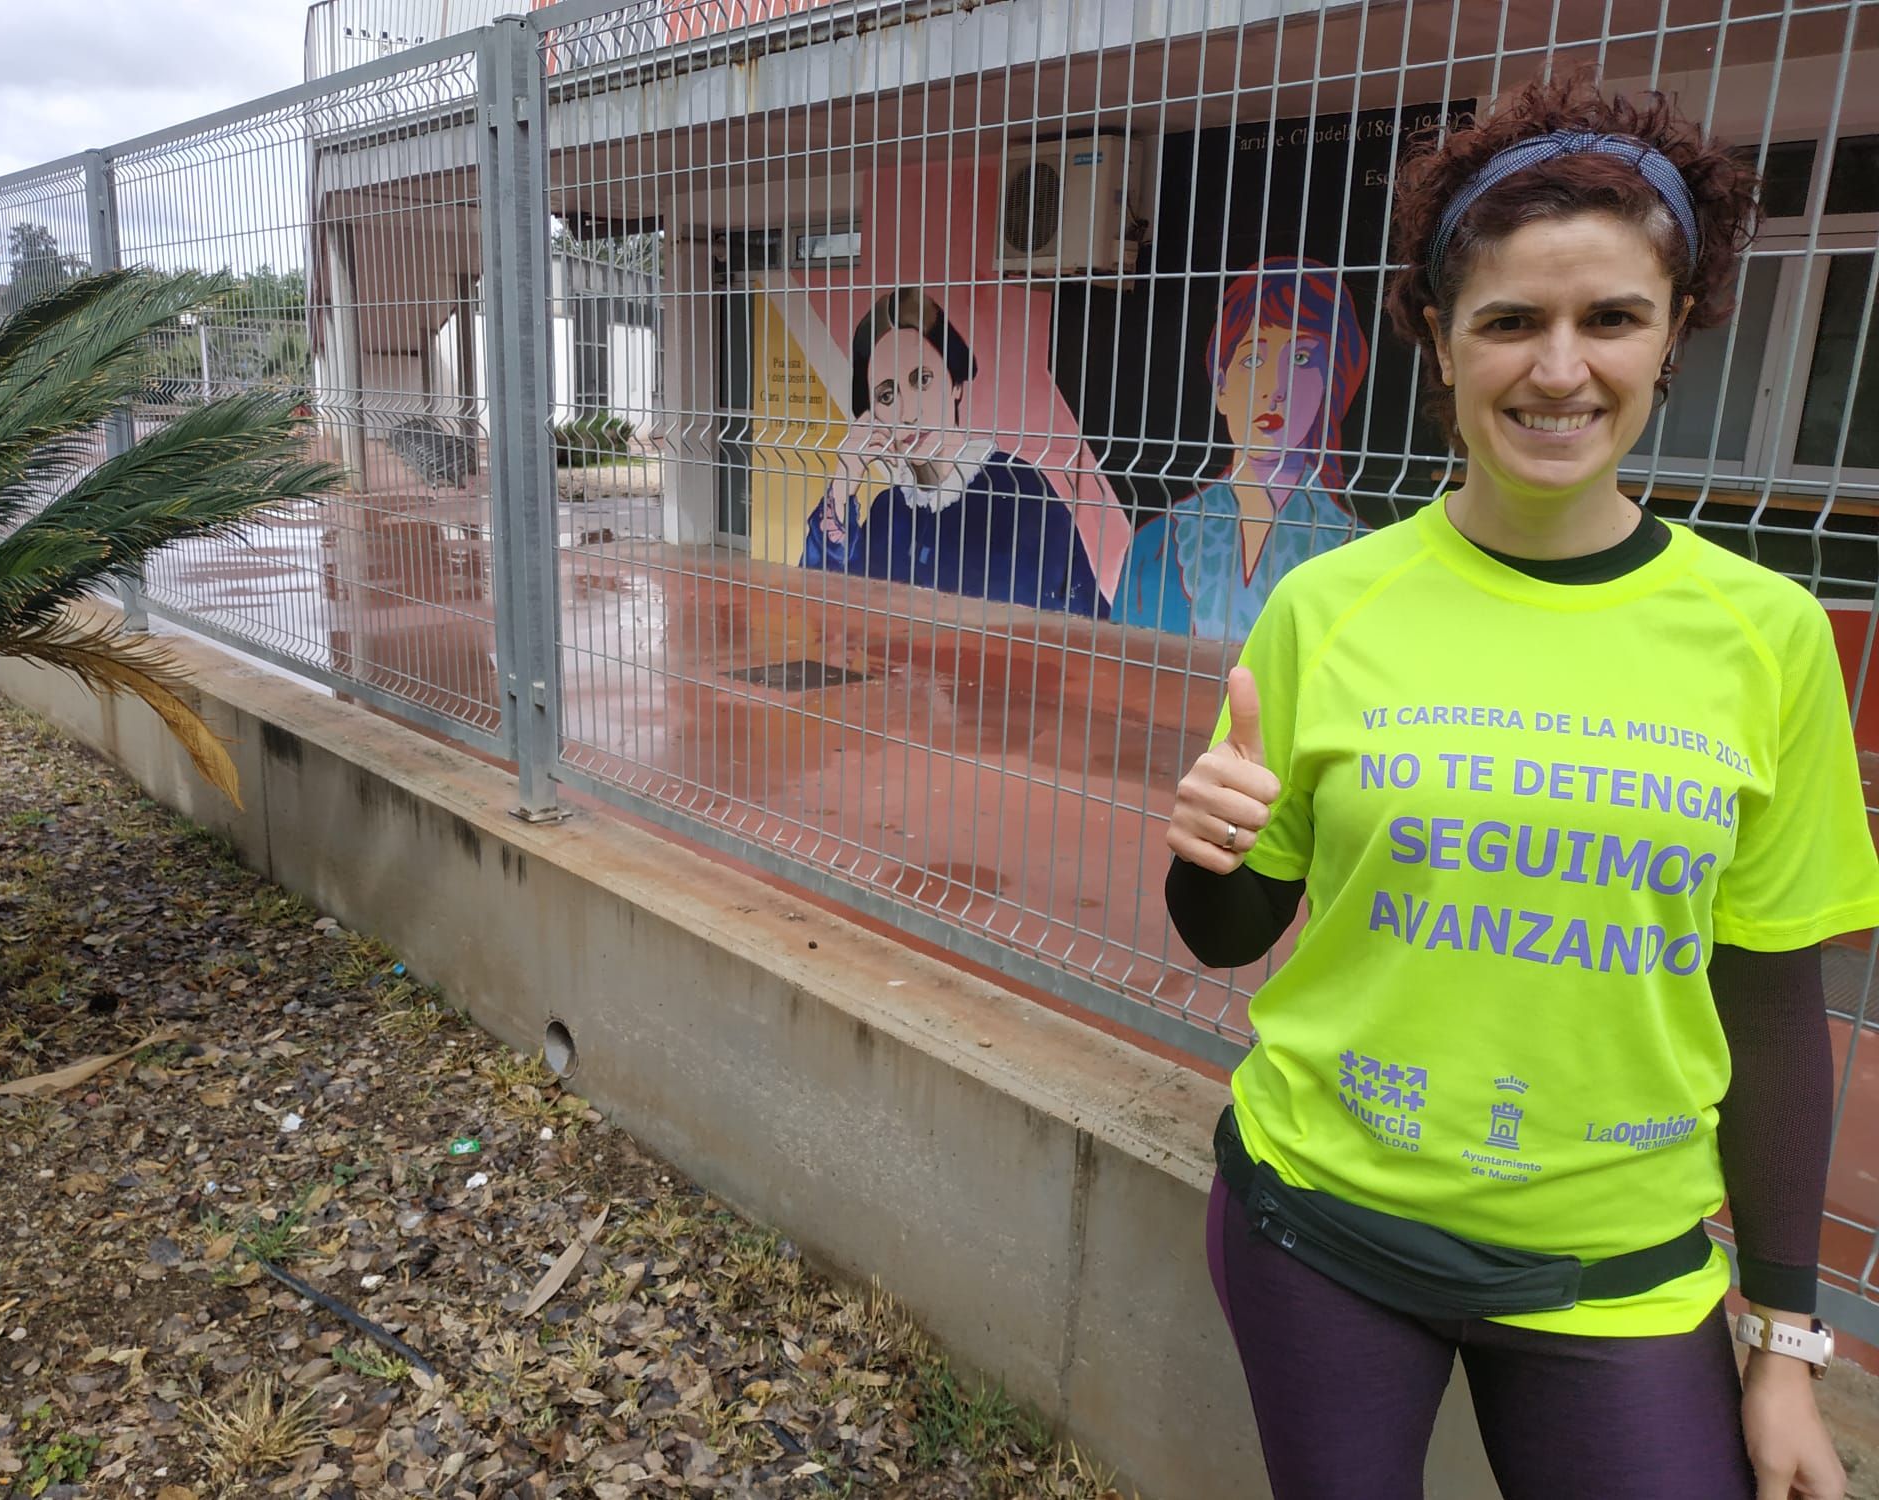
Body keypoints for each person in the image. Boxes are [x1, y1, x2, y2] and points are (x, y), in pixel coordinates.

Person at [1166, 73, 1879, 1500]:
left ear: (1676, 330)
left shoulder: (1767, 637)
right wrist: (1208, 852)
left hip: (1618, 1270)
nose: (1560, 369)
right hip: (1321, 1227)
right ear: (1439, 341)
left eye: (1610, 316)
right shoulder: (1329, 604)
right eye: (1511, 321)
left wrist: (1784, 1342)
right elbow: (1233, 934)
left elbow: (1773, 996)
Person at [802, 287, 1103, 617]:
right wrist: (844, 483)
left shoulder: (1018, 489)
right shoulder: (889, 511)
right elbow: (820, 603)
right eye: (887, 396)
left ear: (955, 383)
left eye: (923, 380)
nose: (908, 412)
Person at [1116, 258, 1370, 638]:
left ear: (1329, 384)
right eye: (1253, 359)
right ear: (1221, 385)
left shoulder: (1362, 559)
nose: (1275, 388)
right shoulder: (1154, 547)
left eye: (1301, 358)